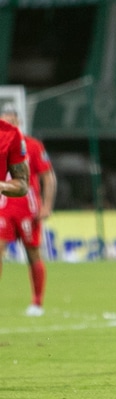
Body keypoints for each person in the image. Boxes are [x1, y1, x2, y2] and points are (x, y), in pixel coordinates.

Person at [0, 105, 56, 316]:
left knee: (32, 253)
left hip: (27, 208)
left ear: (18, 122)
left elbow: (48, 176)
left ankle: (37, 301)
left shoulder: (31, 145)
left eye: (11, 120)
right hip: (4, 207)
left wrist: (47, 205)